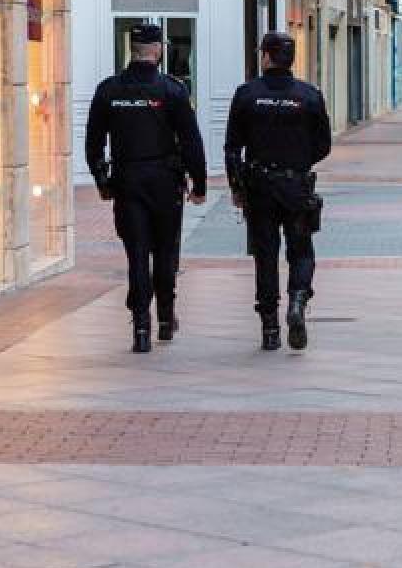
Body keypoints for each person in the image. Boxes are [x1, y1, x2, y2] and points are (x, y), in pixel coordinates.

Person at [85, 23, 207, 353]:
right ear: (157, 50)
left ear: (133, 49)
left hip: (127, 181)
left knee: (137, 254)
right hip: (165, 182)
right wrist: (199, 183)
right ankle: (165, 319)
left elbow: (93, 142)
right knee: (165, 253)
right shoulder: (172, 90)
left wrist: (102, 181)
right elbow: (192, 141)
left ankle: (141, 327)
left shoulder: (109, 89)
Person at [224, 32, 332, 352]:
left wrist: (237, 186)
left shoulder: (246, 95)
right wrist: (298, 161)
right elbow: (323, 144)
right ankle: (297, 302)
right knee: (301, 251)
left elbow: (232, 148)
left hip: (260, 188)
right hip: (296, 187)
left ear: (267, 57)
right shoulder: (309, 95)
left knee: (265, 256)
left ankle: (270, 327)